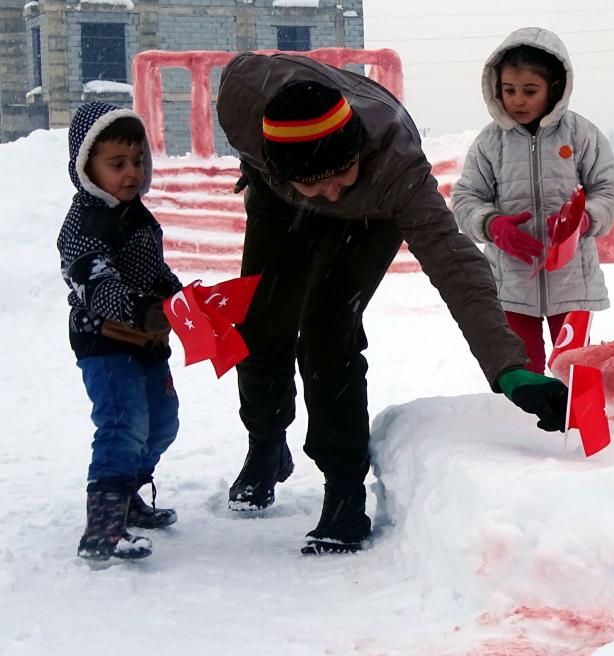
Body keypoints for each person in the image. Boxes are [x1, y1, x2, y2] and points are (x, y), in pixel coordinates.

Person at [215, 52, 570, 555]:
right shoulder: (242, 103)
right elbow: (267, 126)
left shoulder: (394, 167)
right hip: (278, 197)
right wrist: (269, 180)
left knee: (327, 328)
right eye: (320, 184)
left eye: (342, 175)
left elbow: (456, 265)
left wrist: (509, 368)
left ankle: (343, 490)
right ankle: (265, 442)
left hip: (372, 211)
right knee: (260, 320)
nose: (332, 196)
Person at [452, 27, 614, 374]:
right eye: (509, 90)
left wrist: (585, 219)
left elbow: (610, 187)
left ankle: (572, 426)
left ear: (554, 90)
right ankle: (525, 428)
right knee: (523, 370)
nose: (518, 100)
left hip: (573, 281)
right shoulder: (490, 143)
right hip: (511, 283)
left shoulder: (581, 134)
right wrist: (492, 224)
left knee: (571, 371)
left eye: (530, 91)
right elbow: (466, 197)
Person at [58, 101, 183, 562]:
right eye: (117, 164)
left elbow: (154, 270)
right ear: (87, 169)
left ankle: (127, 494)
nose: (131, 173)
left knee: (162, 423)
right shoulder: (85, 223)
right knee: (123, 424)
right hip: (105, 343)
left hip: (148, 343)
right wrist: (143, 310)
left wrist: (178, 299)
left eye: (138, 162)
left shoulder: (137, 214)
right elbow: (96, 282)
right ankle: (103, 528)